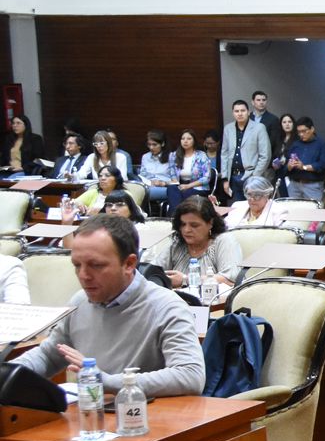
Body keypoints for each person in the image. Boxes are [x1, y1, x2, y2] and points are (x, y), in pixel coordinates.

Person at [15, 216, 205, 396]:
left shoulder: (167, 306)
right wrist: (8, 372)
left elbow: (190, 375)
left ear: (129, 264)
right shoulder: (79, 302)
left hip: (144, 413)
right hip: (91, 411)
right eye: (77, 265)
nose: (83, 275)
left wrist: (109, 382)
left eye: (96, 265)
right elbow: (48, 356)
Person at [145, 196, 243, 292]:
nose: (186, 230)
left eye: (194, 225)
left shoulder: (224, 241)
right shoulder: (177, 244)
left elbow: (230, 280)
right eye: (183, 224)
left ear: (210, 223)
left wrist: (186, 280)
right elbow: (151, 272)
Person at [219, 98, 270, 202]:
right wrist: (225, 179)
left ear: (248, 112)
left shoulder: (259, 128)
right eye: (236, 111)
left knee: (253, 205)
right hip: (233, 176)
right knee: (236, 207)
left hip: (251, 174)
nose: (240, 114)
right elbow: (224, 154)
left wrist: (255, 176)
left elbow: (265, 156)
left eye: (242, 110)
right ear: (233, 113)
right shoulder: (228, 128)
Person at [283, 118, 325, 203]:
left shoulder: (322, 144)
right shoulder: (295, 144)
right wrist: (289, 166)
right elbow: (286, 163)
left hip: (312, 185)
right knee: (294, 209)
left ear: (312, 129)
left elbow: (323, 164)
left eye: (304, 131)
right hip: (294, 184)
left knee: (314, 209)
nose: (301, 134)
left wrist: (304, 167)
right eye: (299, 132)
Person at [170, 128, 215, 205]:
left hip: (198, 187)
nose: (185, 141)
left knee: (184, 194)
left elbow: (206, 178)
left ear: (194, 141)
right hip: (181, 186)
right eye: (183, 139)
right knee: (171, 189)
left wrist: (188, 186)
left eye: (189, 139)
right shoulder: (174, 155)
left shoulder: (201, 156)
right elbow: (173, 174)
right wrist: (178, 185)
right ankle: (175, 212)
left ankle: (177, 212)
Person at [224, 177, 288, 228]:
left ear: (267, 195)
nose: (252, 199)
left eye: (257, 195)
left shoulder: (278, 211)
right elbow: (225, 228)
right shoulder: (237, 206)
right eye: (249, 195)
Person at [268, 112, 297, 188]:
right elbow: (271, 155)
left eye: (289, 122)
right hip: (279, 173)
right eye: (284, 122)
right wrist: (273, 164)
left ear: (293, 124)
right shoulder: (277, 139)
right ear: (281, 125)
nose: (287, 124)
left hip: (293, 174)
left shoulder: (297, 139)